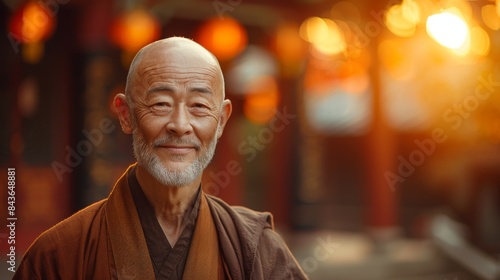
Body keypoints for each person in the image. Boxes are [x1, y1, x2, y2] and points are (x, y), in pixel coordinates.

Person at [14, 37, 308, 279]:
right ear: (126, 114)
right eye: (160, 104)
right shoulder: (60, 253)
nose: (180, 125)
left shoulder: (256, 249)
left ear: (221, 121)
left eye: (199, 106)